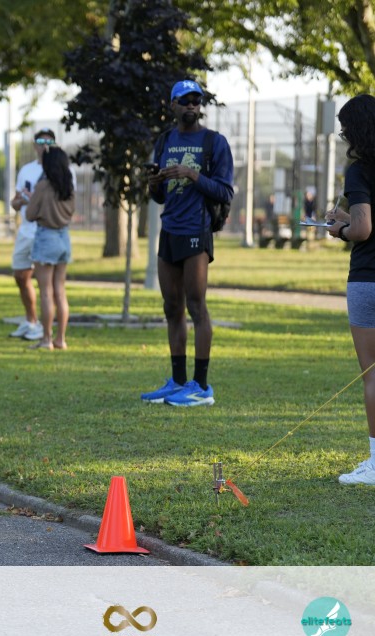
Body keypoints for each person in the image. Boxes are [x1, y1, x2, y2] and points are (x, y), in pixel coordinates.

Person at [142, 80, 234, 407]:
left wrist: (192, 174)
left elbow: (225, 191)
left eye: (196, 100)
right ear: (173, 106)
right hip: (170, 230)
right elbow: (159, 196)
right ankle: (178, 381)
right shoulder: (165, 140)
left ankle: (201, 386)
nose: (192, 105)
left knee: (197, 306)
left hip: (197, 230)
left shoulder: (214, 142)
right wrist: (154, 183)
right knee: (171, 307)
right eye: (185, 101)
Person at [324, 94, 375, 485]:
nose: (344, 138)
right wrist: (347, 217)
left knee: (372, 375)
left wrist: (340, 228)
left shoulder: (359, 171)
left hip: (367, 279)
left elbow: (362, 229)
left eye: (345, 130)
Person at [8, 128, 57, 341]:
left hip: (46, 231)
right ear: (35, 145)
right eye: (41, 142)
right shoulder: (26, 170)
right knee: (21, 276)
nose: (45, 146)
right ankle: (31, 321)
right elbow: (15, 202)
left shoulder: (60, 169)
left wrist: (37, 198)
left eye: (49, 142)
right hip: (26, 231)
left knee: (46, 282)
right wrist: (22, 200)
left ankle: (47, 330)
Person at [24, 146, 75, 350]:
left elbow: (29, 214)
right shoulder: (68, 187)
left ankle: (46, 339)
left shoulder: (43, 186)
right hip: (64, 238)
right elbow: (70, 212)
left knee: (46, 292)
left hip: (46, 237)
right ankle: (61, 339)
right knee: (60, 291)